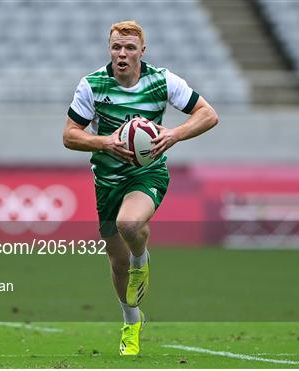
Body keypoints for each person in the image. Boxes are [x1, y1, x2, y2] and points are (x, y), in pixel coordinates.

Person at [63, 20, 218, 355]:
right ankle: (131, 322)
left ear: (141, 52)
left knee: (130, 224)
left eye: (130, 48)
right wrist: (104, 142)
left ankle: (141, 260)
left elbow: (208, 115)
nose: (122, 53)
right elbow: (70, 135)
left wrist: (173, 134)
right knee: (116, 263)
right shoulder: (92, 85)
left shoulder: (161, 80)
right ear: (110, 49)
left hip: (147, 175)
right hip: (107, 181)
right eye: (117, 47)